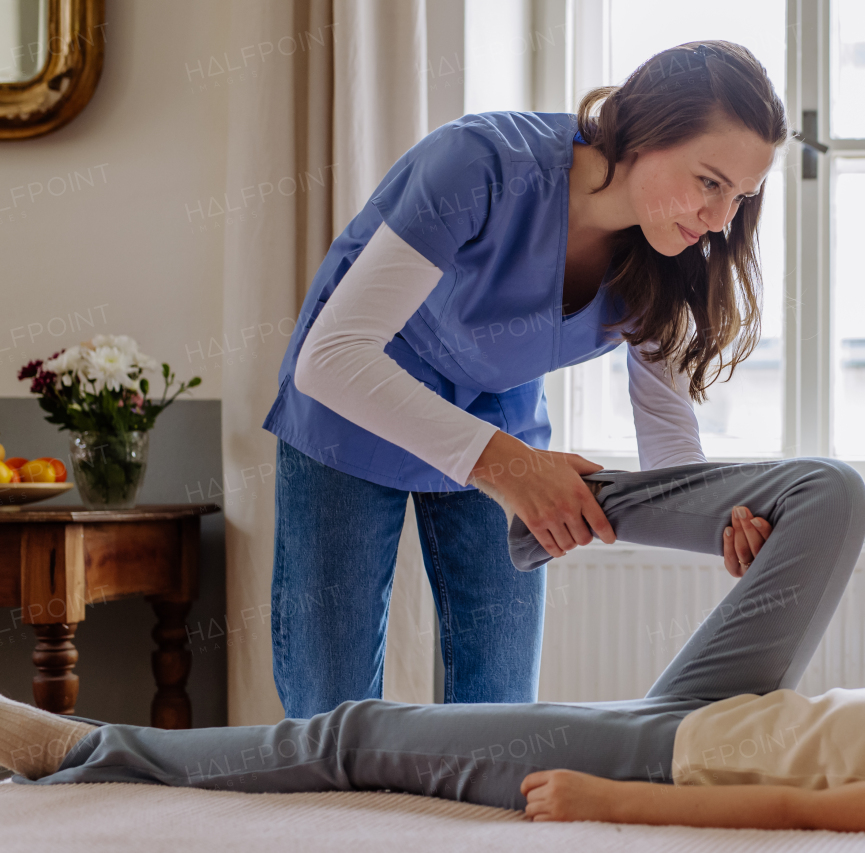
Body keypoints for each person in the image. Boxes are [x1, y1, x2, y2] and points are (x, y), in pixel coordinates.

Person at [3, 458, 865, 834]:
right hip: (725, 702)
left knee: (362, 735)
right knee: (823, 495)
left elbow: (832, 812)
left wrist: (621, 797)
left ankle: (86, 747)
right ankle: (559, 506)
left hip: (672, 752)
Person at [260, 40, 788, 717]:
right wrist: (508, 467)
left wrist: (720, 518)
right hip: (355, 401)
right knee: (326, 705)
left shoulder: (667, 255)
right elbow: (331, 358)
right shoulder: (477, 165)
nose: (720, 222)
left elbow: (667, 439)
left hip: (500, 416)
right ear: (642, 131)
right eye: (709, 182)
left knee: (500, 711)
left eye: (741, 198)